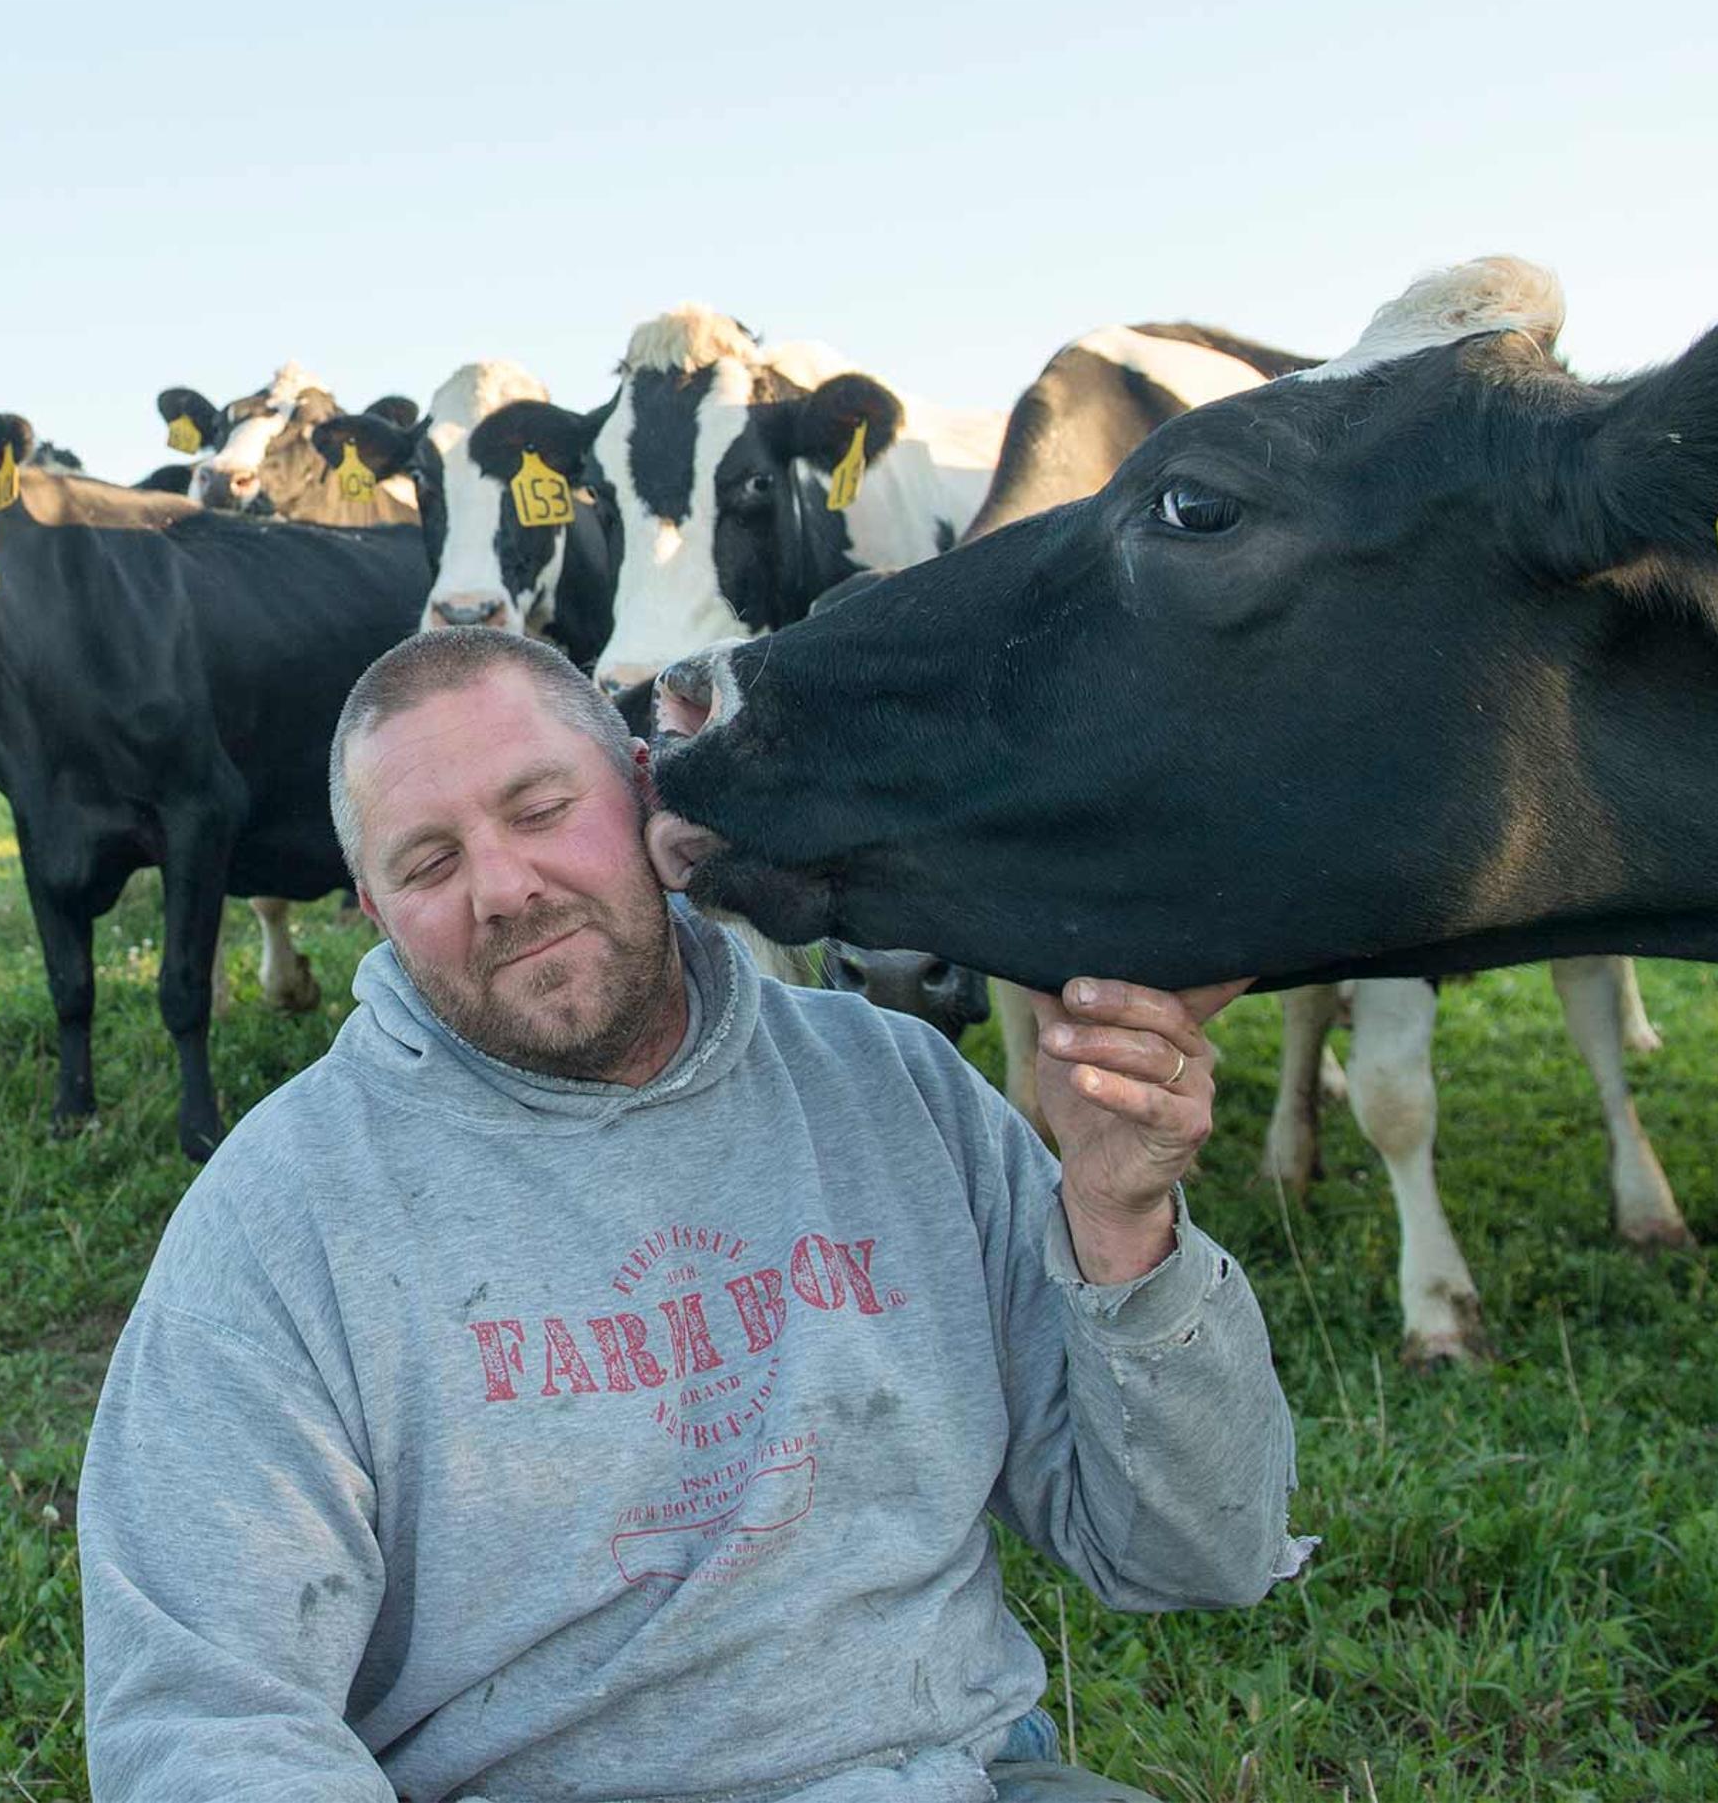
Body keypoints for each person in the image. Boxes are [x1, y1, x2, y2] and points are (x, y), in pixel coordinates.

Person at [77, 626, 1308, 1803]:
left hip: (958, 1770)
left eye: (541, 808)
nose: (504, 887)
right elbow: (209, 1712)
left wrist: (1119, 1218)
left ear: (645, 792)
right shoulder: (282, 1216)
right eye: (430, 861)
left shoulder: (897, 1091)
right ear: (369, 903)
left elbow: (1194, 1548)